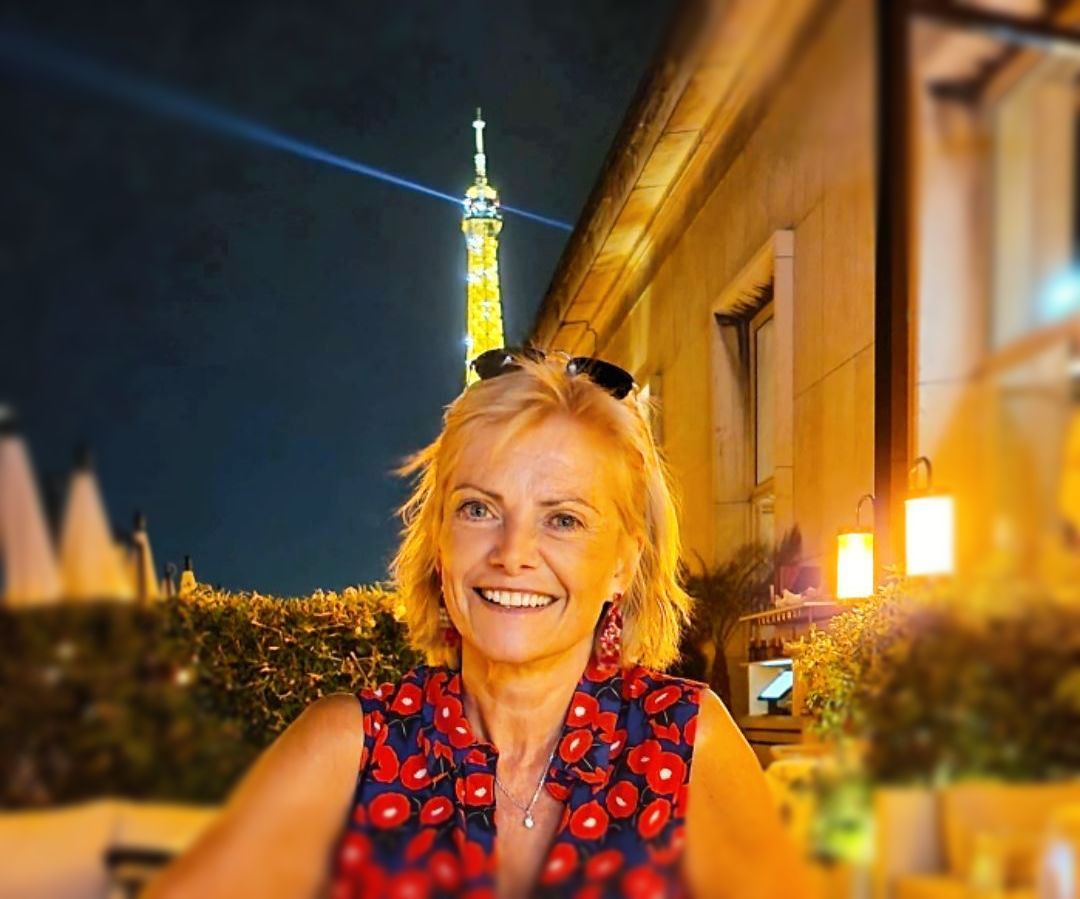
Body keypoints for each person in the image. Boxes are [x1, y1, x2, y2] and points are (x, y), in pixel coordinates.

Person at [146, 349, 814, 899]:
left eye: (563, 519)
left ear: (622, 563)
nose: (513, 553)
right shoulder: (345, 752)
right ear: (439, 539)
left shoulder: (685, 746)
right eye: (478, 509)